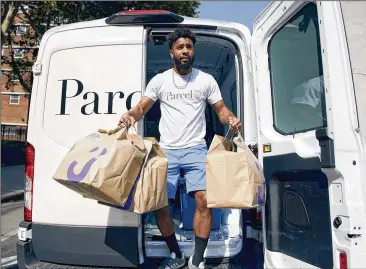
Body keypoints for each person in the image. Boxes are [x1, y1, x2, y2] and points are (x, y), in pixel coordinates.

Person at [118, 28, 242, 269]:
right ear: (171, 52)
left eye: (189, 47)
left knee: (204, 200)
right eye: (180, 47)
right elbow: (142, 107)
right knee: (160, 203)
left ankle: (197, 259)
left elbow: (221, 110)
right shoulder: (161, 80)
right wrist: (130, 116)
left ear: (193, 51)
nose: (185, 51)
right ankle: (175, 254)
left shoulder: (206, 80)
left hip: (196, 149)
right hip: (167, 151)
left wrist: (232, 119)